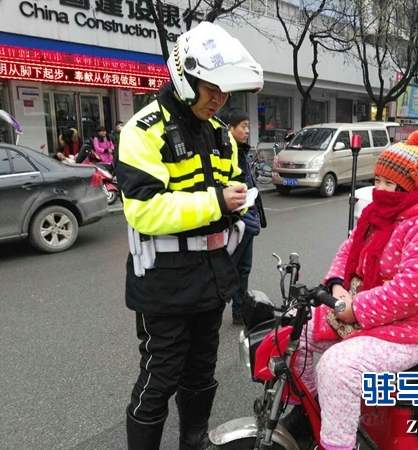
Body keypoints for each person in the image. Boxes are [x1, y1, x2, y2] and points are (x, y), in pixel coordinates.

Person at [116, 22, 263, 450]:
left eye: (225, 92)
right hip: (162, 279)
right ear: (185, 78)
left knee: (202, 371)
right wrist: (218, 202)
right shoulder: (143, 130)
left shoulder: (220, 134)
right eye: (210, 88)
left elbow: (237, 187)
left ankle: (193, 441)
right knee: (160, 375)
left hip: (211, 274)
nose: (218, 99)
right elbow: (144, 210)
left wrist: (241, 202)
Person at [281, 130, 418, 450]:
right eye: (377, 181)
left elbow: (412, 291)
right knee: (293, 330)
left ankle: (338, 444)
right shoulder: (376, 213)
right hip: (362, 310)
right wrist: (337, 285)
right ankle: (308, 412)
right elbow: (348, 250)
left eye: (390, 184)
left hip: (409, 329)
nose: (380, 189)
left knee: (338, 367)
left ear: (411, 185)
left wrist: (355, 308)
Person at [220, 108, 267, 325]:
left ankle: (239, 312)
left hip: (248, 219)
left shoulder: (240, 150)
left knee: (243, 269)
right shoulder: (225, 152)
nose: (247, 130)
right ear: (229, 128)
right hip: (237, 221)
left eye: (248, 126)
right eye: (243, 126)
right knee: (228, 269)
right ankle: (212, 312)